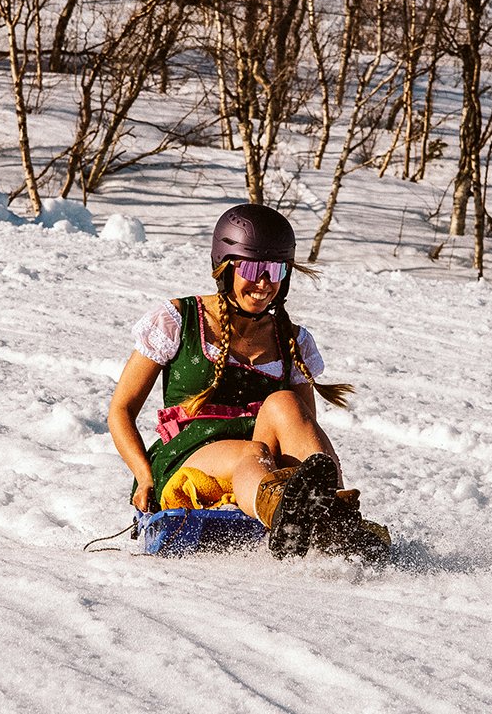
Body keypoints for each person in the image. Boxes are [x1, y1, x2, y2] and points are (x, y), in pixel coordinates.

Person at [108, 203, 389, 561]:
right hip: (193, 454)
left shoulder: (293, 341)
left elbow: (303, 432)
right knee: (250, 454)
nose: (264, 283)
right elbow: (121, 409)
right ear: (225, 267)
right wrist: (142, 474)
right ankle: (284, 518)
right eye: (253, 269)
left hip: (266, 459)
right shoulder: (179, 319)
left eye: (275, 270)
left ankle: (335, 516)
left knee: (286, 403)